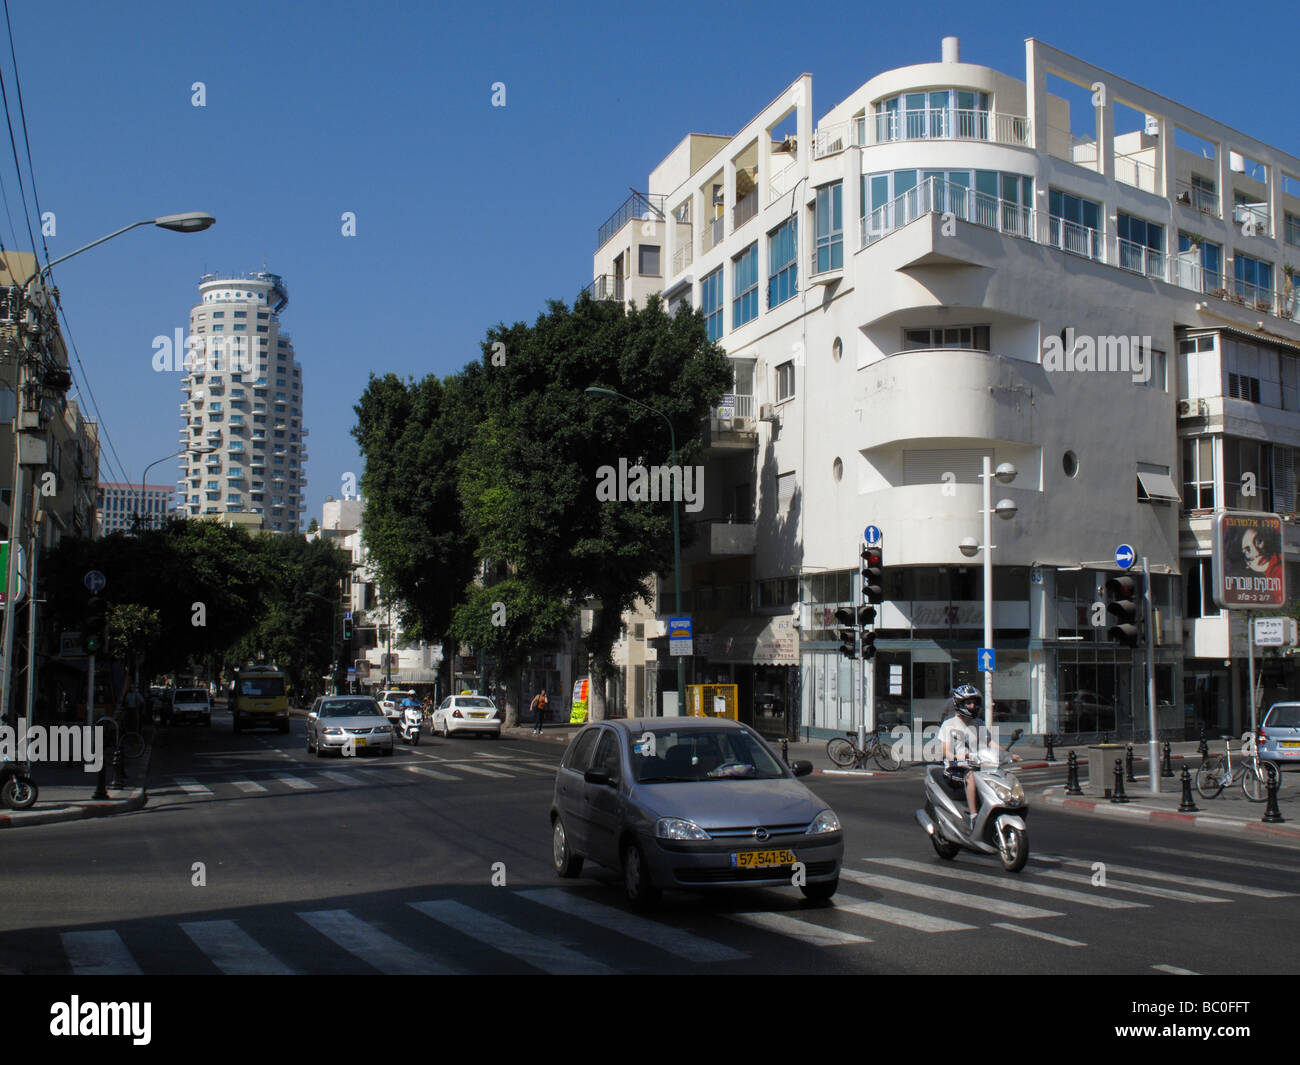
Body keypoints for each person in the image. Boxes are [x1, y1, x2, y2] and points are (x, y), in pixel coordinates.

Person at [938, 685, 1019, 830]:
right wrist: (961, 756)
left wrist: (1008, 754)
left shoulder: (979, 723)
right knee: (971, 776)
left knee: (998, 775)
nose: (972, 706)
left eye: (974, 703)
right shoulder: (949, 725)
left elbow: (989, 742)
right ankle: (974, 817)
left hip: (979, 766)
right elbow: (945, 752)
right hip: (956, 769)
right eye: (968, 703)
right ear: (959, 704)